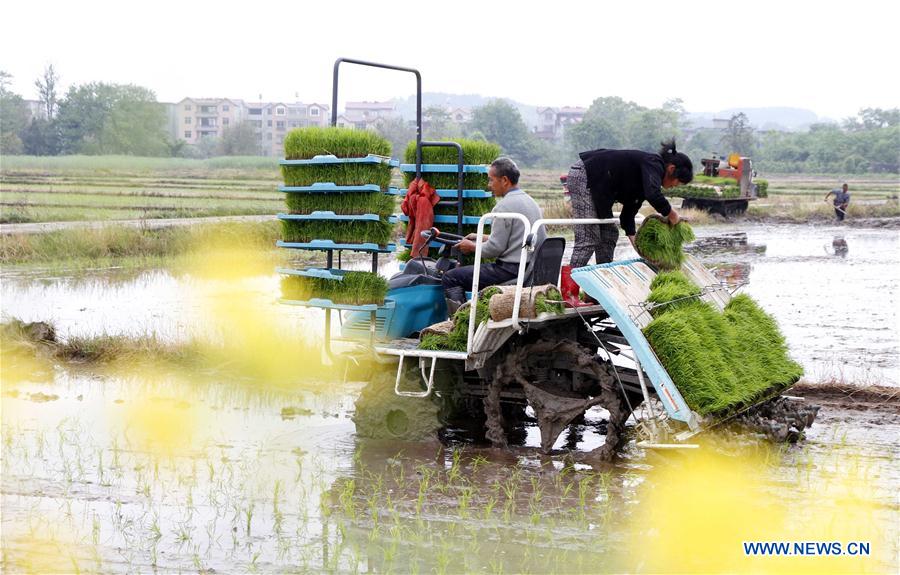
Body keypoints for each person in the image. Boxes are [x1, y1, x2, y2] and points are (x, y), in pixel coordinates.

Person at [566, 139, 694, 269]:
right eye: (677, 182)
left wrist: (640, 248)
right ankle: (570, 285)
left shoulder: (645, 182)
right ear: (671, 169)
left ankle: (603, 277)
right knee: (589, 237)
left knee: (609, 234)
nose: (675, 186)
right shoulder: (653, 163)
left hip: (601, 186)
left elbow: (627, 216)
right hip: (585, 174)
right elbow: (654, 195)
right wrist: (672, 215)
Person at [441, 157, 546, 314]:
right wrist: (482, 237)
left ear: (504, 180)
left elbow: (493, 249)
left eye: (491, 180)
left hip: (511, 270)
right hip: (530, 265)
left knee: (451, 277)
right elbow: (518, 238)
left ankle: (461, 324)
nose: (489, 185)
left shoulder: (503, 207)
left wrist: (470, 247)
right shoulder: (530, 201)